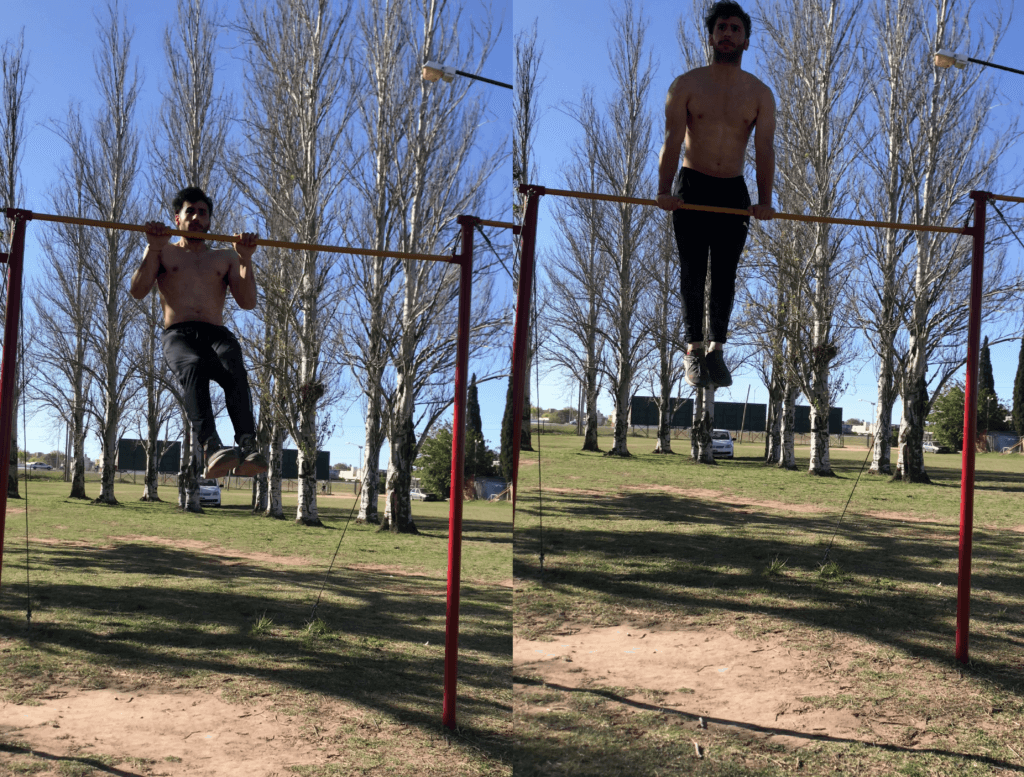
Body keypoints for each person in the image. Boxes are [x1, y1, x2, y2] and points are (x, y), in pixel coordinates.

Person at [656, 1, 776, 388]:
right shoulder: (686, 85)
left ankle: (716, 350)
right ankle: (693, 349)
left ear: (746, 40)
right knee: (692, 269)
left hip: (732, 190)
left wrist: (765, 201)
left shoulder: (760, 93)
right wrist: (663, 191)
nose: (727, 33)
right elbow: (672, 141)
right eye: (721, 27)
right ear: (711, 37)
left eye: (735, 28)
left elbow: (765, 149)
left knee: (725, 273)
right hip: (692, 184)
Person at [130, 186, 269, 479]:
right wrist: (153, 248)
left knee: (232, 362)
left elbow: (247, 302)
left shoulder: (225, 257)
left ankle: (248, 444)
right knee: (192, 366)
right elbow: (138, 291)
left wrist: (245, 258)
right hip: (178, 334)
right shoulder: (163, 250)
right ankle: (212, 446)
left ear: (209, 221)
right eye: (189, 211)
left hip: (216, 333)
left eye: (202, 213)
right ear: (177, 218)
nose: (196, 217)